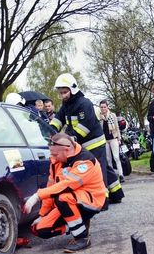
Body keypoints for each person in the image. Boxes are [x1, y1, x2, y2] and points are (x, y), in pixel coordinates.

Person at [23, 133, 105, 253]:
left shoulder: (85, 161)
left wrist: (36, 196)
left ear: (67, 150)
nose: (53, 157)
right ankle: (80, 225)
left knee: (63, 197)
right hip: (71, 199)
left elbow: (66, 185)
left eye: (55, 154)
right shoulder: (57, 161)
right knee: (39, 229)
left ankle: (82, 238)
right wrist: (42, 214)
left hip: (91, 200)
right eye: (51, 154)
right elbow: (51, 186)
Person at [50, 73, 124, 203]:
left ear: (73, 89)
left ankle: (102, 201)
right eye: (60, 93)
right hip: (83, 144)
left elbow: (84, 127)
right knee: (105, 168)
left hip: (94, 143)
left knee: (99, 170)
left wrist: (69, 138)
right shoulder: (66, 104)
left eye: (65, 92)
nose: (62, 95)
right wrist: (50, 130)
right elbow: (58, 119)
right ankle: (117, 194)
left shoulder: (84, 103)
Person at [99, 100, 124, 182]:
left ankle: (121, 175)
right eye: (102, 107)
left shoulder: (112, 115)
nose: (103, 109)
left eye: (104, 107)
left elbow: (117, 127)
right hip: (105, 140)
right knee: (108, 159)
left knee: (116, 157)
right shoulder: (99, 117)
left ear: (107, 107)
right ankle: (113, 176)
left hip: (113, 138)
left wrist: (119, 138)